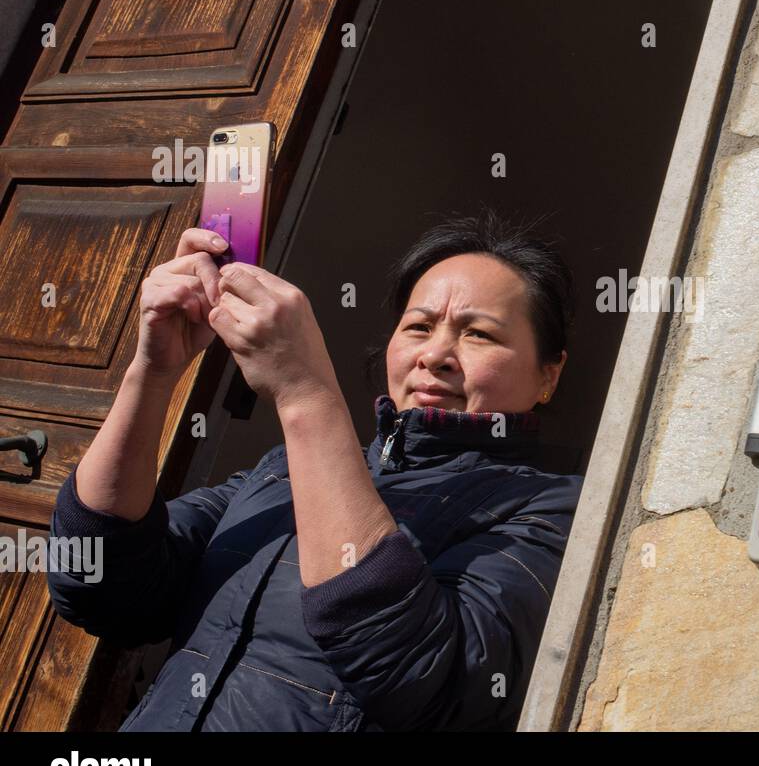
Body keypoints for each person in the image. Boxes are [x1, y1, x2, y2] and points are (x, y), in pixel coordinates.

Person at [46, 210, 581, 731]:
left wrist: (304, 393)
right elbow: (98, 580)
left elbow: (426, 680)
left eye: (479, 334)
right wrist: (152, 372)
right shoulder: (282, 470)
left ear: (548, 376)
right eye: (418, 326)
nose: (435, 354)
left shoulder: (557, 511)